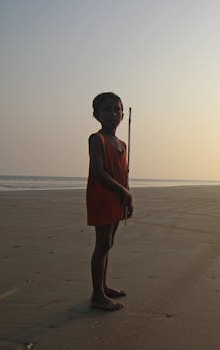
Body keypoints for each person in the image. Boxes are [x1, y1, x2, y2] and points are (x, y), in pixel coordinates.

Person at [86, 92, 133, 311]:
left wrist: (127, 197)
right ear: (97, 114)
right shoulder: (97, 139)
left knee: (109, 244)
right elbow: (98, 172)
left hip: (118, 198)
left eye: (117, 109)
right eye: (107, 109)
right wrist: (123, 191)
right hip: (102, 197)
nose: (113, 114)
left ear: (123, 114)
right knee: (102, 245)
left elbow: (124, 174)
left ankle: (103, 287)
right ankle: (97, 295)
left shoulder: (122, 143)